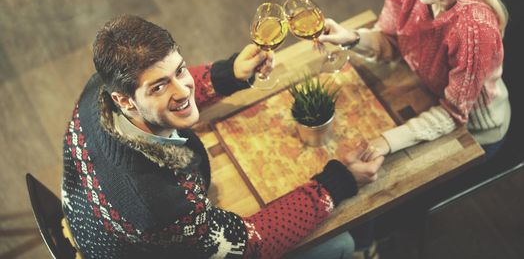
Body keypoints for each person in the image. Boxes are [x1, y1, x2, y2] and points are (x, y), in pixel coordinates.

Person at [61, 14, 384, 259]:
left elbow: (177, 96)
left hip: (92, 219)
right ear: (124, 100)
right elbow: (248, 244)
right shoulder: (159, 203)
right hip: (138, 243)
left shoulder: (99, 90)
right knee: (342, 243)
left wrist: (228, 74)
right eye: (159, 86)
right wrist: (338, 181)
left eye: (180, 70)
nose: (182, 89)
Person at [318, 0, 510, 161]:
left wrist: (385, 142)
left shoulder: (475, 27)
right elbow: (390, 41)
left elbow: (454, 113)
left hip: (474, 133)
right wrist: (352, 38)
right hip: (425, 91)